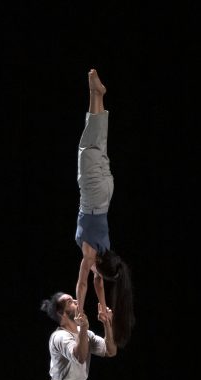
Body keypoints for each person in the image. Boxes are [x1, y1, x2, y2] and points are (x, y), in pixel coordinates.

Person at [75, 68, 135, 348]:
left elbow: (98, 283)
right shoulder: (90, 255)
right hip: (92, 193)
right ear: (99, 265)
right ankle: (94, 93)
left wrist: (102, 306)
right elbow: (83, 284)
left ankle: (96, 93)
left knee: (97, 143)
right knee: (88, 147)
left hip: (106, 193)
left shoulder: (106, 254)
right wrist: (80, 311)